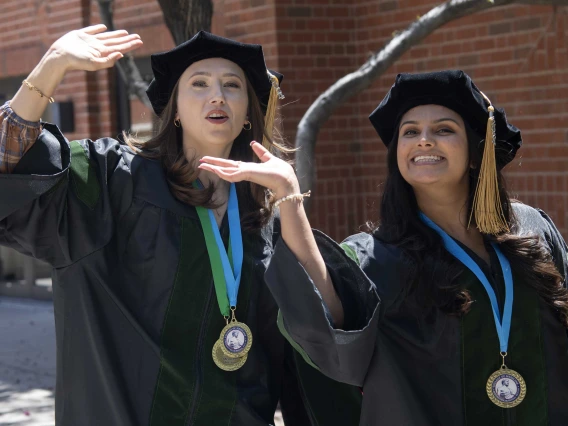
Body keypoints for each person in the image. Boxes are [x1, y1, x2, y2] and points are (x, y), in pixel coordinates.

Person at [0, 25, 362, 426]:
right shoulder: (114, 181)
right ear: (173, 110)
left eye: (232, 85)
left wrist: (291, 201)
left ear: (247, 114)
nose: (217, 95)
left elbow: (331, 328)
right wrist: (51, 66)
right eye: (199, 83)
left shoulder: (265, 216)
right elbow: (9, 169)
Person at [199, 70, 568, 425]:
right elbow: (328, 326)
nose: (424, 139)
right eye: (410, 132)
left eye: (444, 129)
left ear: (476, 154)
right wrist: (290, 198)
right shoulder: (375, 258)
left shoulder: (533, 231)